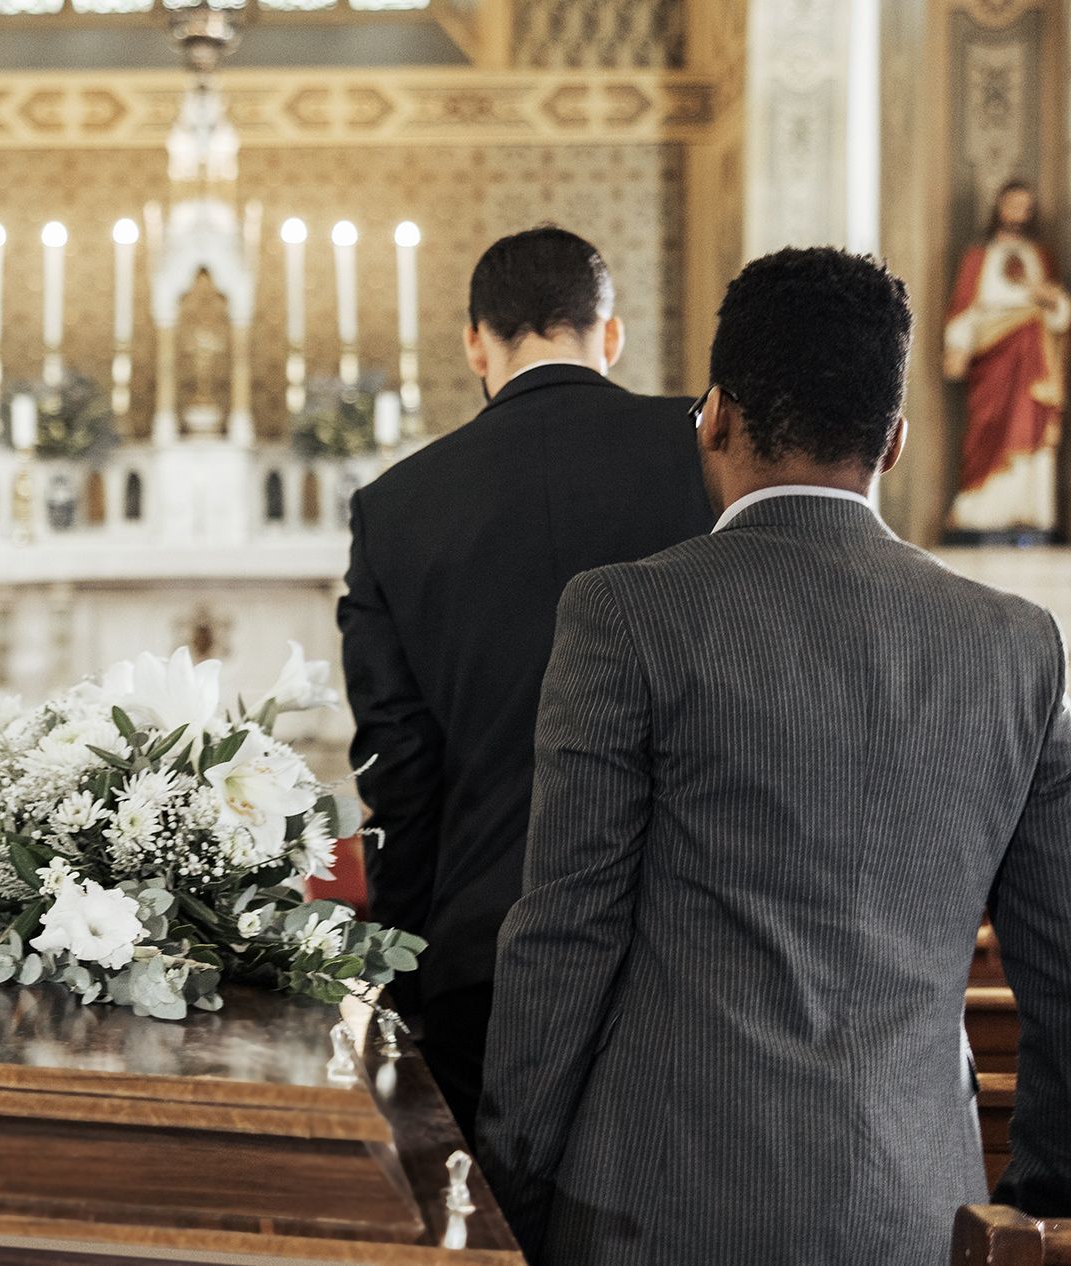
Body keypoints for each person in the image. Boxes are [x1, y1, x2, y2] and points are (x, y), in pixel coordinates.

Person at [479, 246, 1071, 1265]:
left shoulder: (627, 613)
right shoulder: (1016, 643)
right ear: (894, 443)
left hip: (655, 1210)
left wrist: (508, 1176)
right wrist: (1037, 1198)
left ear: (714, 415)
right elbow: (1061, 961)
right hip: (918, 1211)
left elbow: (566, 934)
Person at [337, 226, 711, 1142]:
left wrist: (410, 968)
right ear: (609, 333)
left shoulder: (398, 505)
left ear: (476, 342)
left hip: (483, 947)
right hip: (689, 938)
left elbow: (399, 770)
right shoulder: (707, 451)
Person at [944, 179, 1069, 537]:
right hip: (992, 354)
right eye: (1011, 205)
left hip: (1033, 357)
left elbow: (1060, 315)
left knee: (1029, 428)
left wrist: (1047, 298)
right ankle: (977, 508)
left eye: (1024, 207)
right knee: (987, 426)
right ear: (998, 208)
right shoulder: (979, 256)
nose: (1017, 214)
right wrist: (957, 346)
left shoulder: (1041, 257)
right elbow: (964, 307)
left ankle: (1029, 509)